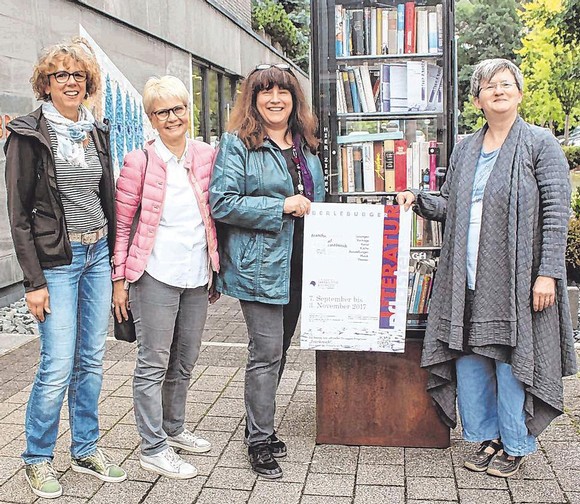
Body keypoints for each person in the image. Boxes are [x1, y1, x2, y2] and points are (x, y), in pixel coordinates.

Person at [397, 58, 577, 478]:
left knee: (511, 360)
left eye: (506, 82)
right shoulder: (465, 148)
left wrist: (548, 272)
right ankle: (487, 437)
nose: (498, 90)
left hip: (517, 280)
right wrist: (416, 198)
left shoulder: (540, 144)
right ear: (476, 99)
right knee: (471, 358)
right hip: (466, 277)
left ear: (519, 92)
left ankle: (515, 443)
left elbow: (556, 212)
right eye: (488, 86)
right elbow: (450, 203)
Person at [4, 38, 127, 499]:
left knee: (91, 360)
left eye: (78, 76)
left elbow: (104, 198)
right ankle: (37, 458)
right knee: (57, 363)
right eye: (61, 76)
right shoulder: (29, 134)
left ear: (88, 83)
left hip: (96, 257)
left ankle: (86, 447)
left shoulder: (95, 131)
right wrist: (32, 282)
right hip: (57, 263)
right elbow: (18, 215)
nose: (70, 83)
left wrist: (115, 263)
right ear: (46, 84)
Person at [209, 63, 325, 479]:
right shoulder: (238, 143)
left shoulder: (305, 144)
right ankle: (259, 440)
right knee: (267, 351)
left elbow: (317, 201)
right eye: (265, 92)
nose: (275, 99)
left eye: (283, 92)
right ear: (253, 100)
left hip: (301, 264)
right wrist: (279, 206)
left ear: (295, 100)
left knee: (280, 349)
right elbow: (221, 202)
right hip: (259, 267)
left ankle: (258, 424)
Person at [112, 75, 220, 479]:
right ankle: (152, 447)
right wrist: (119, 280)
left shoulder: (207, 154)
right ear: (151, 119)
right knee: (153, 362)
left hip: (196, 274)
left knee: (186, 359)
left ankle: (174, 429)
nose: (172, 117)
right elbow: (122, 227)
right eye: (162, 112)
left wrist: (216, 266)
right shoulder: (138, 161)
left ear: (188, 112)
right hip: (153, 273)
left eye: (178, 108)